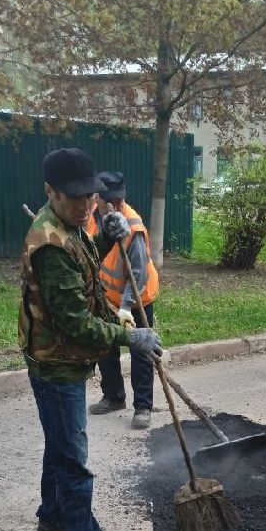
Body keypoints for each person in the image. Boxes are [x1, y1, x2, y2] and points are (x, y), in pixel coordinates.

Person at [20, 148, 163, 531]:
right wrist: (130, 336)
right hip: (57, 361)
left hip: (56, 356)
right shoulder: (49, 244)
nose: (87, 206)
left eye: (91, 197)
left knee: (59, 445)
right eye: (76, 198)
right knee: (74, 458)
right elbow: (77, 323)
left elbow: (83, 264)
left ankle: (53, 522)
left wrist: (103, 239)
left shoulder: (70, 225)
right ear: (50, 192)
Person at [87, 171, 160, 429]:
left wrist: (127, 307)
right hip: (106, 297)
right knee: (105, 345)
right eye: (102, 200)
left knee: (141, 349)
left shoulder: (133, 227)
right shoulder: (93, 216)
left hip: (137, 298)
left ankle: (143, 407)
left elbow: (137, 274)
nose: (112, 207)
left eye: (116, 202)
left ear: (118, 202)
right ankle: (114, 396)